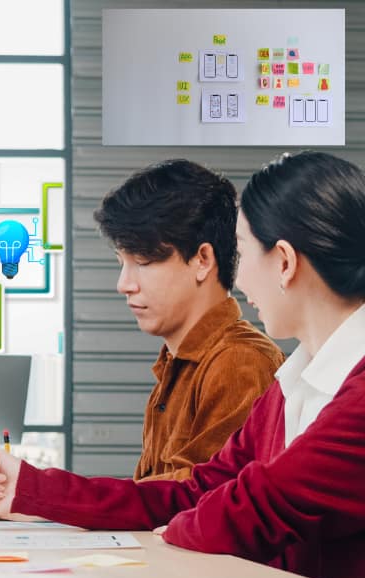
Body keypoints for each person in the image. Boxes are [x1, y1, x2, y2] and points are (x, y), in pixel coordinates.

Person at [0, 151, 365, 578]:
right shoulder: (289, 388)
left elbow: (257, 504)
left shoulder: (316, 381)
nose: (238, 276)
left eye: (243, 249)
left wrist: (180, 526)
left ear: (285, 262)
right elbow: (198, 491)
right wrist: (32, 489)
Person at [93, 159, 282, 480]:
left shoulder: (239, 363)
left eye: (143, 261)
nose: (124, 284)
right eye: (121, 263)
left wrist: (43, 491)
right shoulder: (177, 363)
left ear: (202, 260)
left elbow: (197, 497)